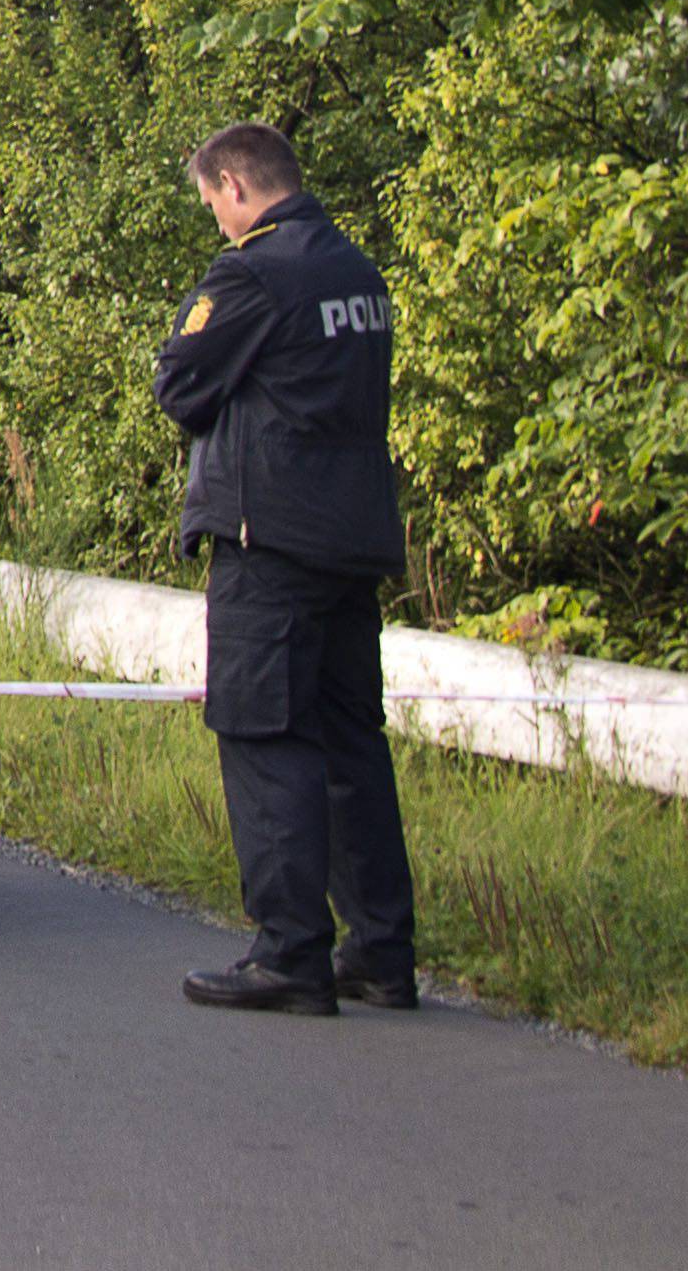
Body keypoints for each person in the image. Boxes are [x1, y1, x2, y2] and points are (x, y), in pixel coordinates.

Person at [152, 121, 417, 1017]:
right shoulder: (357, 272)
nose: (214, 223)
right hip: (354, 541)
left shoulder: (254, 272)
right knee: (351, 743)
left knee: (264, 733)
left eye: (211, 205)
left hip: (272, 541)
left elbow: (179, 383)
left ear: (233, 186)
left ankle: (290, 951)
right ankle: (381, 951)